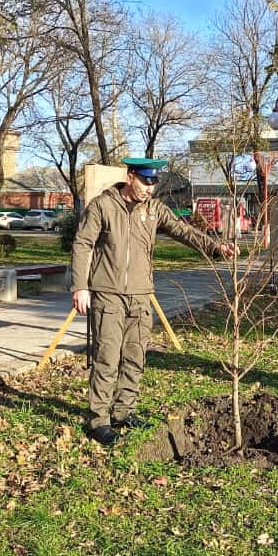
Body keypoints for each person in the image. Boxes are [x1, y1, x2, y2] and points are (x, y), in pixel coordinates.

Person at [71, 157, 237, 446]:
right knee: (107, 357)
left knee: (135, 356)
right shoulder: (103, 206)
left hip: (140, 295)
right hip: (108, 295)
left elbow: (183, 231)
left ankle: (123, 411)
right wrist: (80, 287)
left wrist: (216, 247)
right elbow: (82, 244)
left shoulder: (154, 209)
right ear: (130, 176)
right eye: (145, 182)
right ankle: (99, 419)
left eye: (153, 184)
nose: (149, 189)